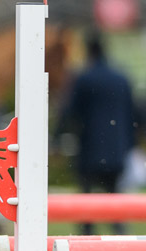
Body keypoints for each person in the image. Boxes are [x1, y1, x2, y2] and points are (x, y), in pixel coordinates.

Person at [55, 31, 140, 235]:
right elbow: (134, 113)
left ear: (88, 51)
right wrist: (130, 144)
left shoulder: (84, 79)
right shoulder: (121, 78)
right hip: (117, 148)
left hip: (90, 148)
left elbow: (70, 112)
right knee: (115, 196)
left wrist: (57, 136)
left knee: (87, 199)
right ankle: (120, 235)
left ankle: (87, 236)